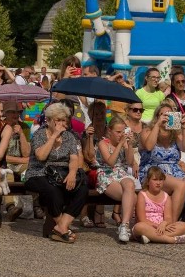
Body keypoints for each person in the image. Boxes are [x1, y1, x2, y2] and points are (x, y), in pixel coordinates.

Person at [23, 102, 89, 243]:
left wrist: (72, 174)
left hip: (62, 172)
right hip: (39, 172)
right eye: (57, 120)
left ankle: (61, 227)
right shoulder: (39, 134)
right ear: (49, 120)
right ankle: (63, 228)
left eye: (63, 120)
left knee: (82, 187)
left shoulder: (69, 137)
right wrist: (53, 137)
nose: (61, 123)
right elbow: (41, 156)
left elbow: (74, 158)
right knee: (52, 190)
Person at [138, 102, 185, 222]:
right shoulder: (147, 130)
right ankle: (171, 223)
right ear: (157, 117)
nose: (166, 117)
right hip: (153, 171)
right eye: (162, 115)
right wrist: (158, 125)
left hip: (174, 170)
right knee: (180, 186)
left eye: (169, 115)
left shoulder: (175, 133)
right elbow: (149, 146)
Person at [95, 116, 137, 243]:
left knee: (129, 184)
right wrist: (120, 144)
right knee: (133, 197)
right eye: (118, 132)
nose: (121, 135)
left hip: (121, 173)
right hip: (106, 174)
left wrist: (129, 145)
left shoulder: (124, 143)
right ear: (109, 131)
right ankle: (125, 226)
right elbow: (111, 162)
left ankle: (124, 225)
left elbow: (129, 162)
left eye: (123, 132)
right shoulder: (103, 143)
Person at [132, 166, 185, 244]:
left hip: (162, 227)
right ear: (147, 181)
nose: (158, 182)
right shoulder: (142, 195)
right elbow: (141, 219)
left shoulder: (166, 196)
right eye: (155, 180)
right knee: (139, 227)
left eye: (161, 180)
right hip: (148, 226)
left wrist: (164, 224)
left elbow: (168, 217)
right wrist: (157, 226)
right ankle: (171, 240)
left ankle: (151, 237)